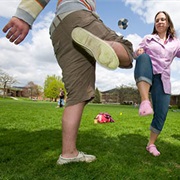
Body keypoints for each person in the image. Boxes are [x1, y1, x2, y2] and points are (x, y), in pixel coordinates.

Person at [2, 0, 134, 165]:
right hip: (78, 17)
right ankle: (100, 44)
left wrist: (24, 16)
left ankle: (69, 153)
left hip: (58, 29)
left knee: (78, 95)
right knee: (127, 51)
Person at [134, 11, 180, 156]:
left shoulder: (175, 42)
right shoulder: (149, 38)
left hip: (163, 79)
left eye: (163, 19)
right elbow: (136, 54)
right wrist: (138, 51)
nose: (160, 22)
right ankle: (145, 101)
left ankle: (151, 144)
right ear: (154, 24)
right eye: (157, 20)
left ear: (168, 23)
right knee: (143, 57)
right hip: (148, 73)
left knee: (161, 114)